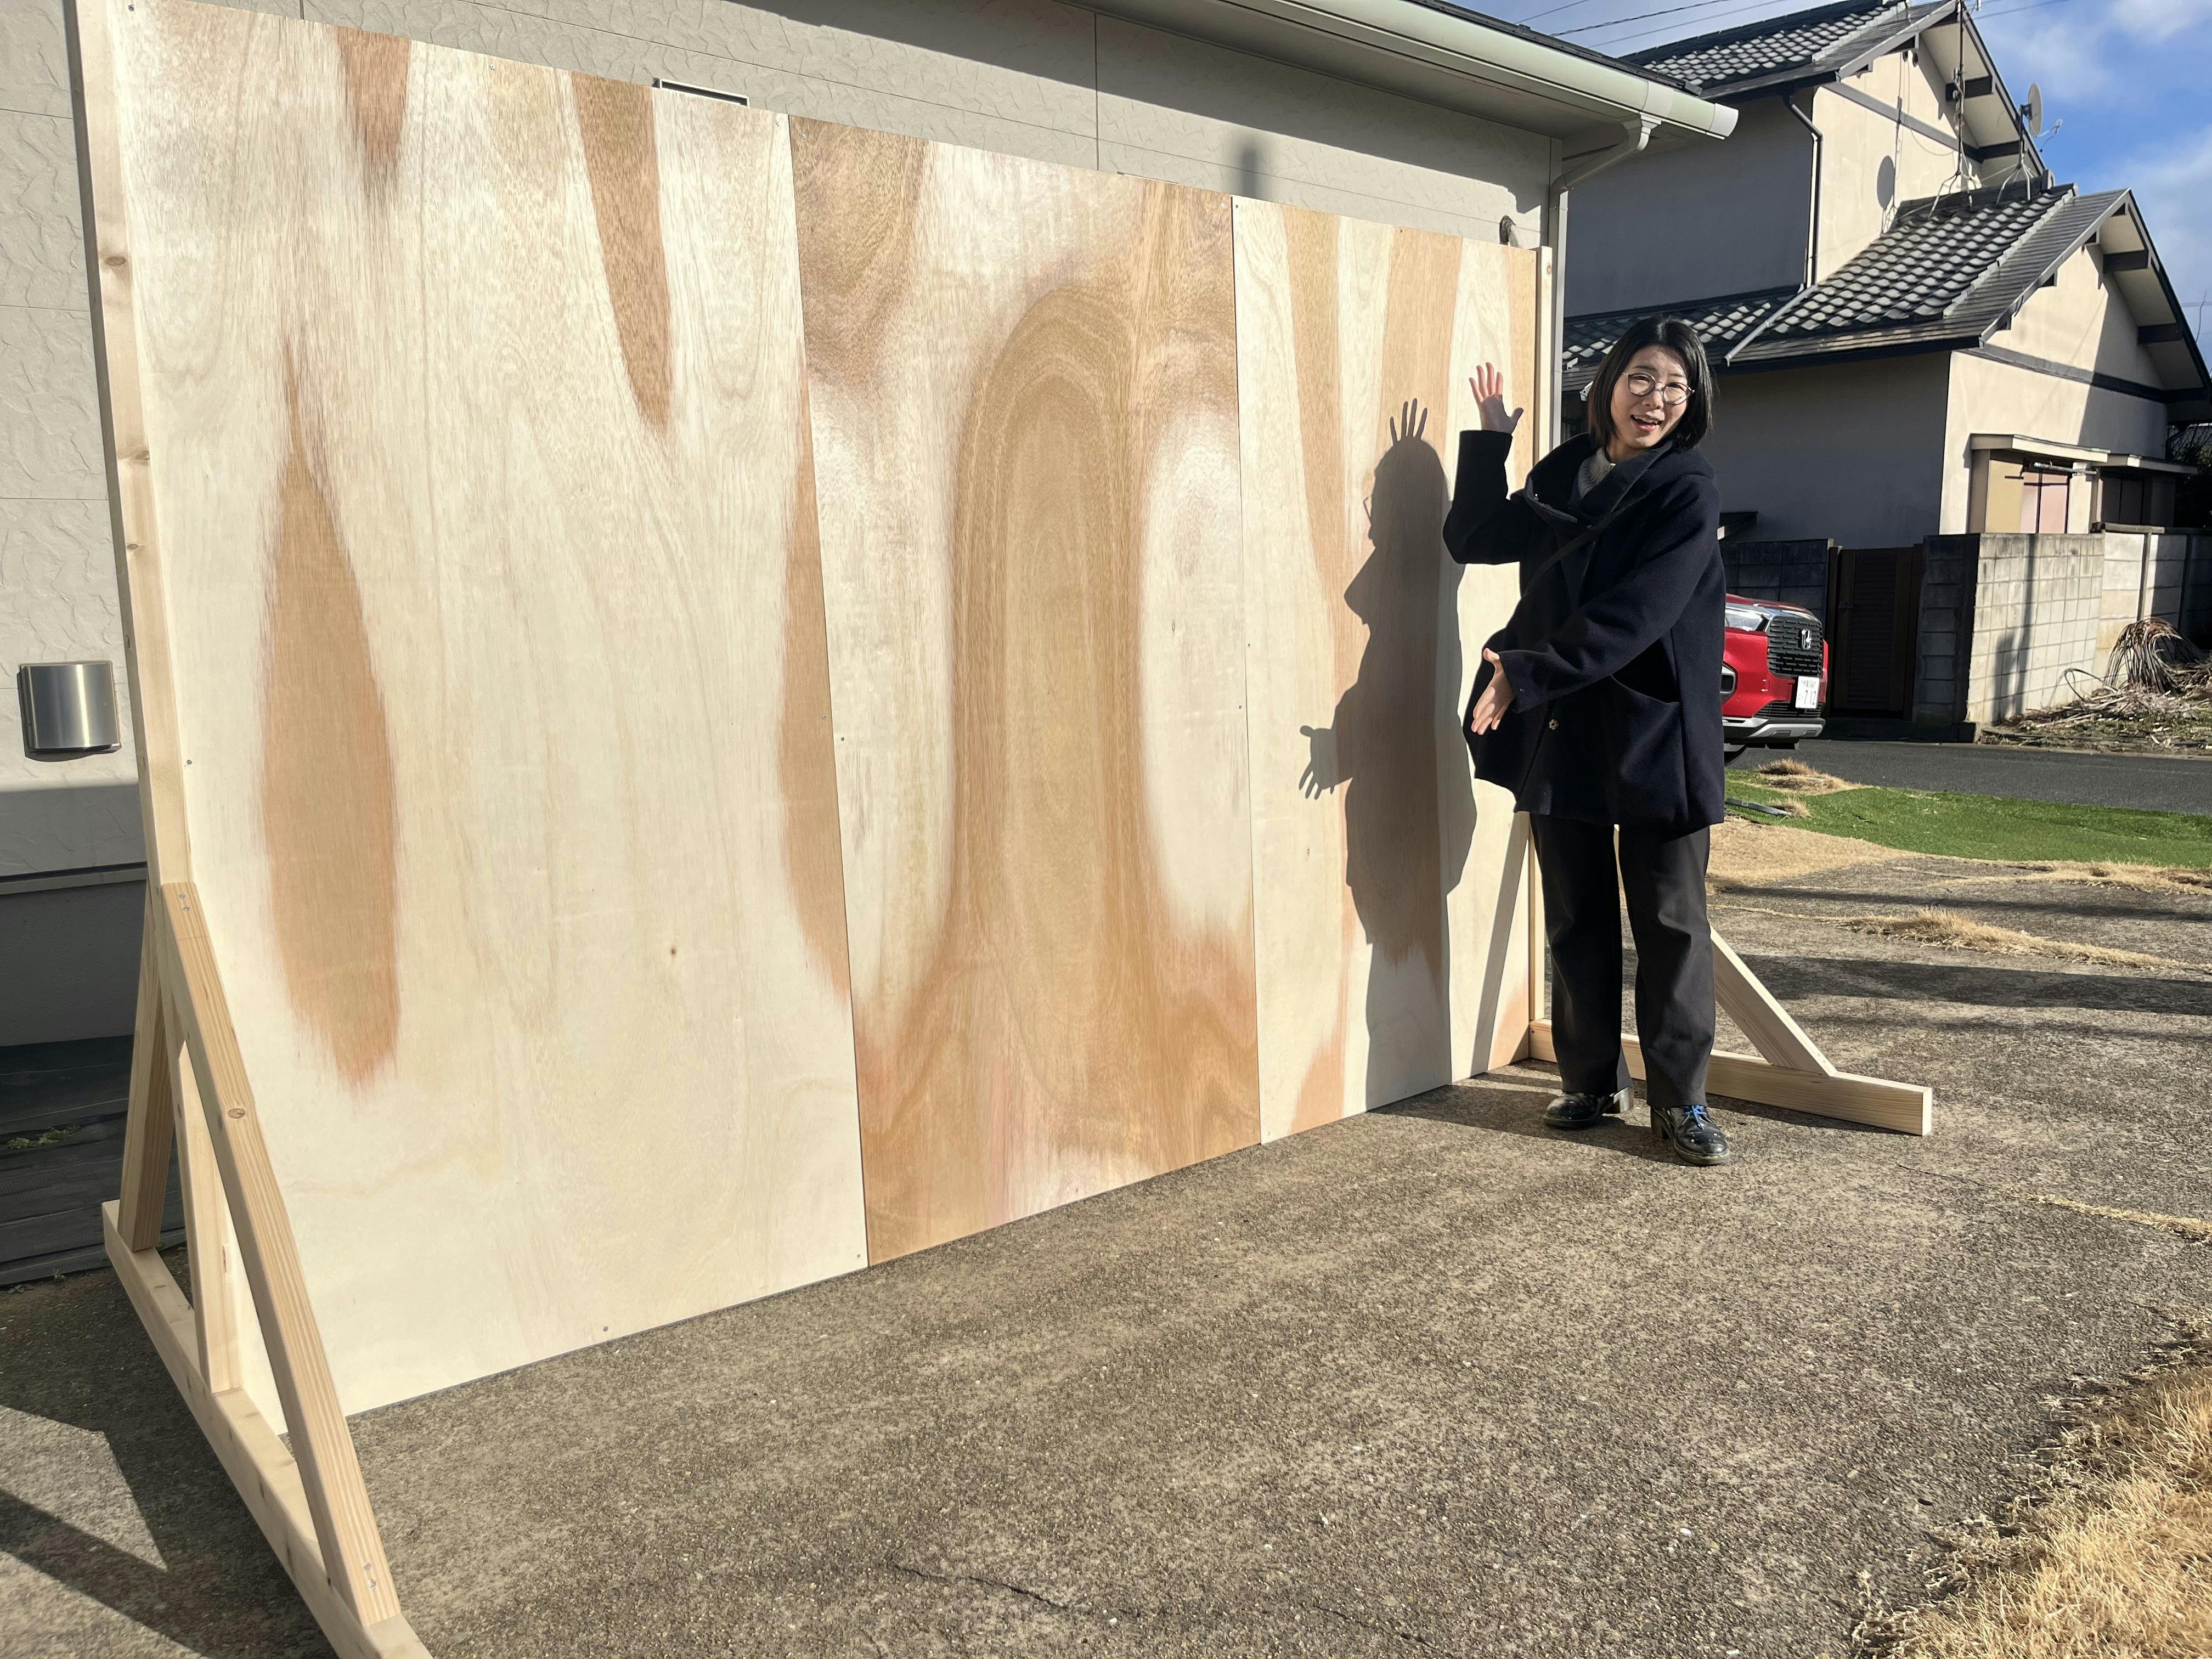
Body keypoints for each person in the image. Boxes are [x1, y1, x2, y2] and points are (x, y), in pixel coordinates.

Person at [1444, 318, 1730, 1165]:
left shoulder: (1686, 488)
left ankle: (1681, 1101)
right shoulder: (1563, 472)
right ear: (1608, 384)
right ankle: (1592, 1080)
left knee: (1671, 920)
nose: (1656, 400)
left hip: (1653, 723)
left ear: (1691, 403)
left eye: (1675, 387)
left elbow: (1639, 611)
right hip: (1564, 716)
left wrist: (1529, 670)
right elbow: (1474, 538)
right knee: (1575, 911)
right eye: (1642, 379)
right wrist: (1489, 446)